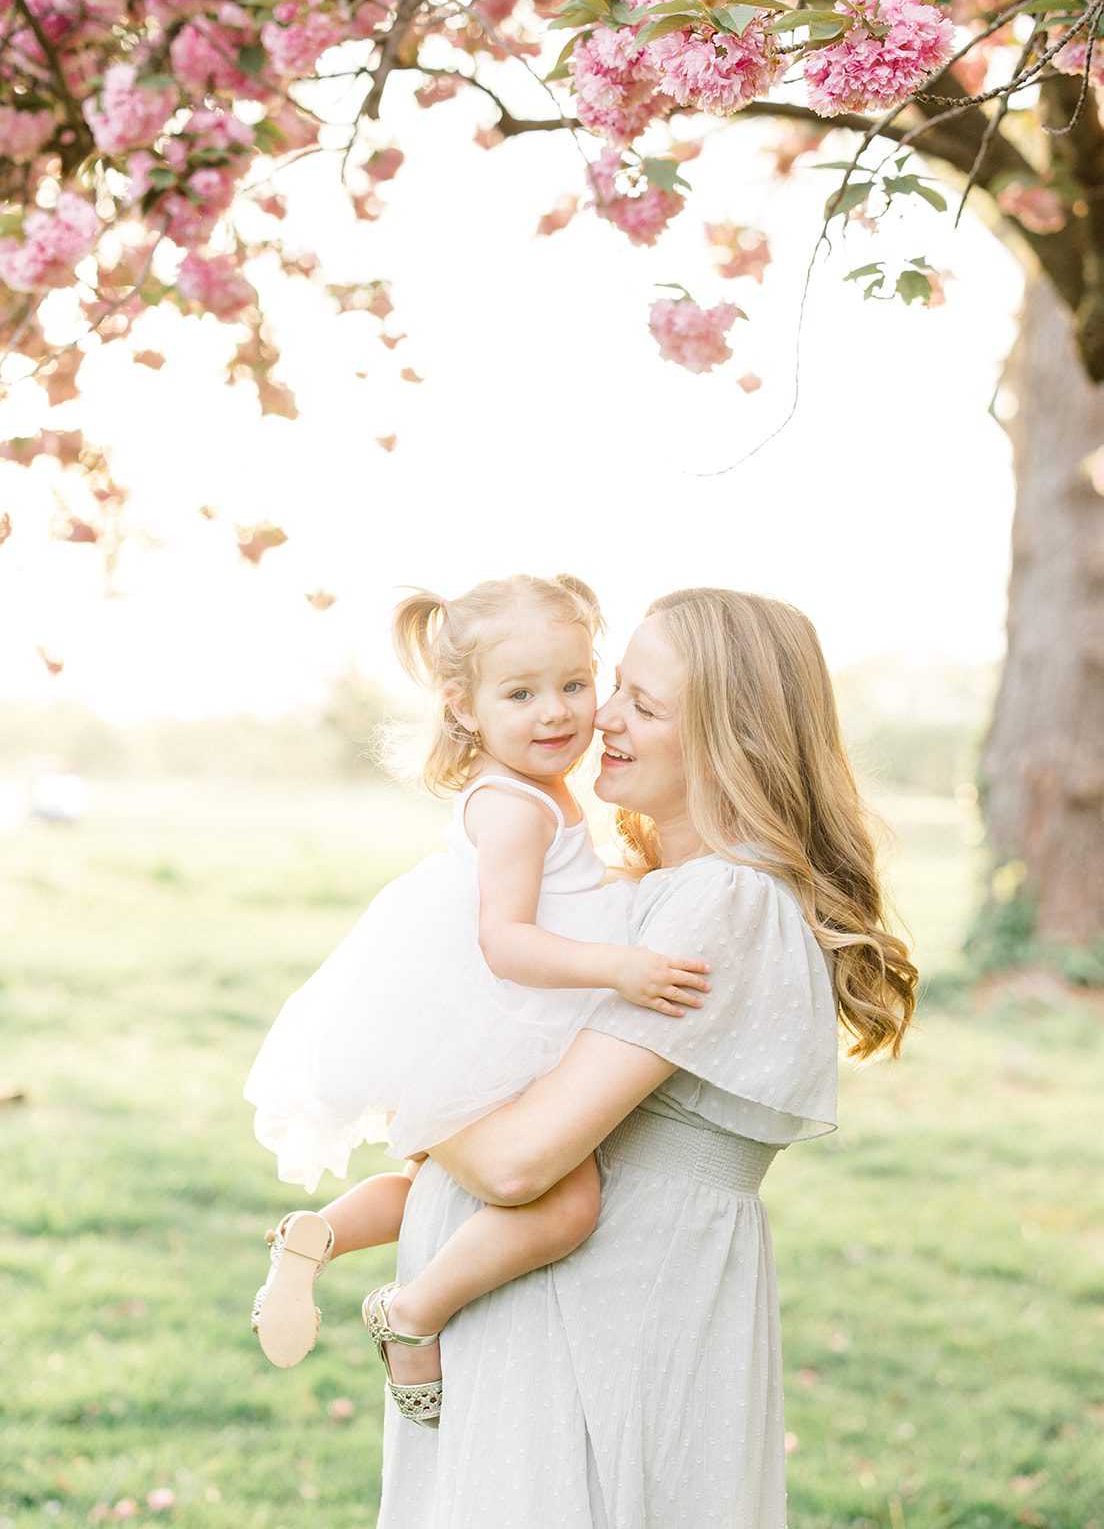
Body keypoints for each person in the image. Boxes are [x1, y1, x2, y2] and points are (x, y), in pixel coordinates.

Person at [374, 587, 919, 1528]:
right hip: (559, 1320)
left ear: (732, 738)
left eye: (644, 704)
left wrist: (391, 1072)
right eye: (615, 685)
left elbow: (514, 1161)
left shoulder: (725, 903)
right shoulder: (656, 894)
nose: (601, 719)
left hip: (596, 1330)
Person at [243, 574, 708, 1418]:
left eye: (574, 684)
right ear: (464, 708)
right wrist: (619, 966)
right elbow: (507, 941)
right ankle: (414, 1315)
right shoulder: (512, 807)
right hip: (491, 1014)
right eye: (521, 693)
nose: (558, 712)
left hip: (478, 1018)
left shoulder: (540, 793)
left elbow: (560, 894)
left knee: (436, 1184)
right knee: (565, 1205)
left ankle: (315, 1237)